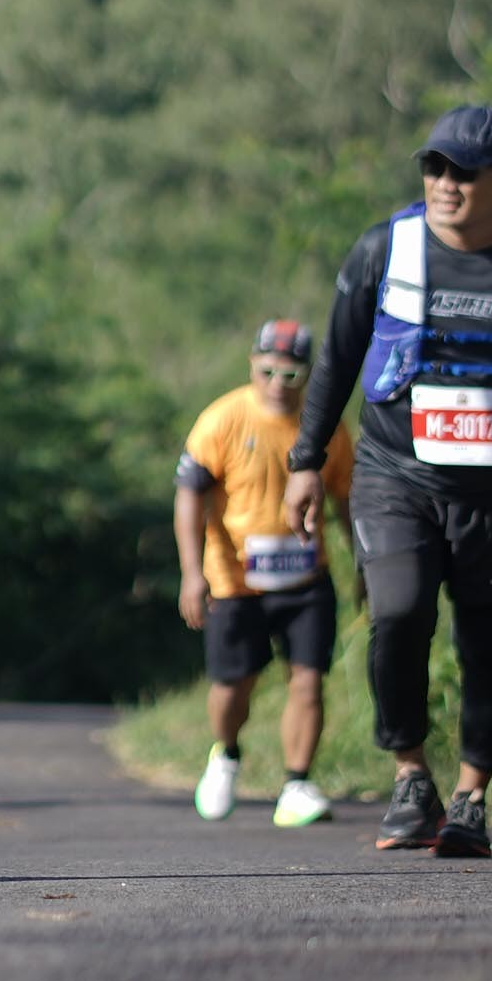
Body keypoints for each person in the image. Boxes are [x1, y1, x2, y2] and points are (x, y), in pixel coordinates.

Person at [284, 105, 492, 858]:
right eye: (435, 167)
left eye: (465, 172)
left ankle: (472, 796)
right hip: (394, 475)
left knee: (487, 642)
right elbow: (336, 360)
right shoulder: (381, 249)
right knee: (397, 615)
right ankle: (410, 775)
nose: (445, 183)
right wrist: (305, 462)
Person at [175, 320, 355, 828]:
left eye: (291, 375)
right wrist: (192, 572)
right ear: (252, 366)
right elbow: (189, 495)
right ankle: (226, 753)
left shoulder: (326, 427)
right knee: (234, 686)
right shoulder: (223, 419)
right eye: (268, 371)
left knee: (308, 682)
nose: (278, 383)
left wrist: (365, 561)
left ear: (309, 376)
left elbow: (348, 498)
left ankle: (297, 783)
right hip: (235, 581)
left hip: (306, 579)